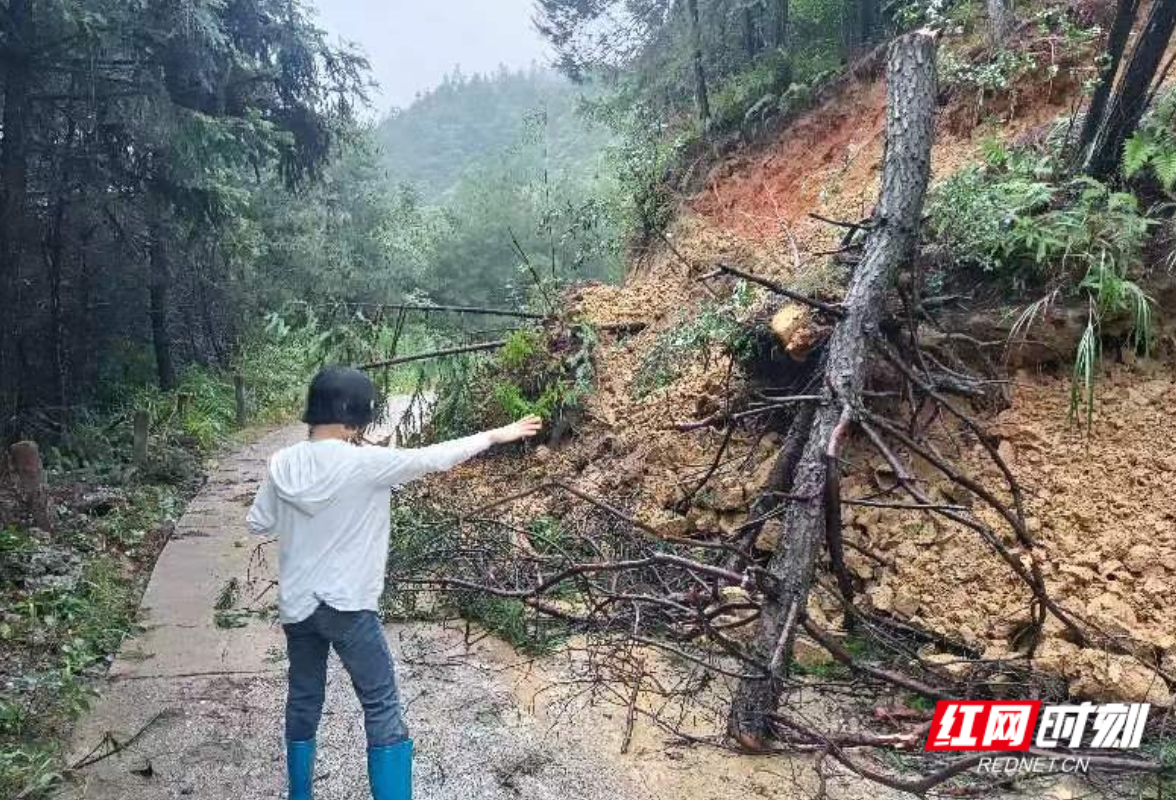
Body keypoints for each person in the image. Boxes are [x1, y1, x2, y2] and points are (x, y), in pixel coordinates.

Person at [247, 366, 542, 800]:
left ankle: (299, 795)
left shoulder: (282, 463)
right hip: (348, 607)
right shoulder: (367, 464)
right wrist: (498, 434)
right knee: (380, 704)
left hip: (298, 607)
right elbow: (435, 457)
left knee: (304, 699)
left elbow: (258, 522)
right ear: (355, 417)